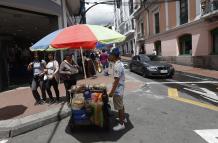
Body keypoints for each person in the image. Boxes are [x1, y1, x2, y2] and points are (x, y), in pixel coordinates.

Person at [108, 47, 126, 131]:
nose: (109, 56)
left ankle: (121, 124)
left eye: (110, 55)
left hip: (118, 89)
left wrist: (111, 92)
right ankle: (123, 118)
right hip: (120, 88)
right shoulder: (119, 63)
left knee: (119, 106)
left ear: (113, 56)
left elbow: (116, 80)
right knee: (121, 105)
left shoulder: (117, 65)